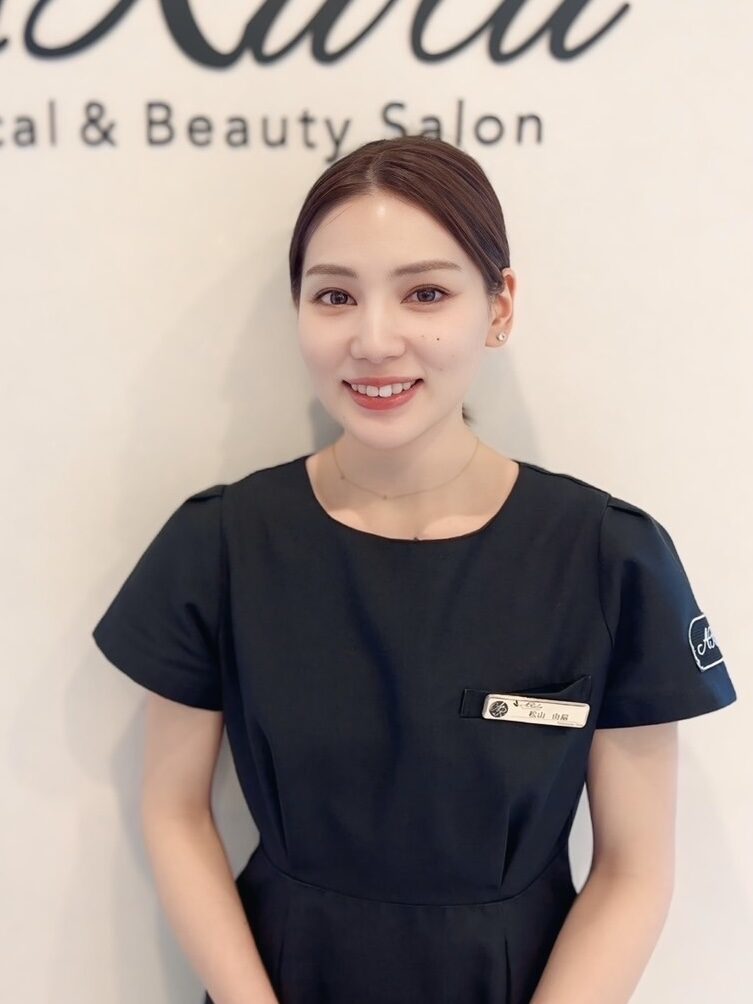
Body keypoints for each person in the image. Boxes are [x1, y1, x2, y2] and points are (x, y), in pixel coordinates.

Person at [91, 135, 737, 1004]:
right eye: (334, 296)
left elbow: (633, 868)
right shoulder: (221, 544)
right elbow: (173, 810)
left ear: (498, 307)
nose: (374, 339)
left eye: (425, 293)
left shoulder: (608, 557)